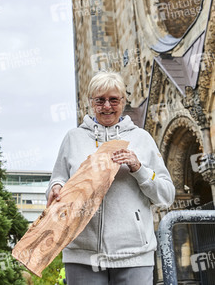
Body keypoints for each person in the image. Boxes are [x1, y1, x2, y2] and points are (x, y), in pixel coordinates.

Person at [46, 71, 175, 285]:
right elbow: (57, 180)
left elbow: (167, 195)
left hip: (135, 256)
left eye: (113, 99)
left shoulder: (142, 139)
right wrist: (56, 188)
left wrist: (138, 168)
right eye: (100, 100)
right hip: (81, 255)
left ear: (123, 101)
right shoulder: (73, 138)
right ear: (91, 102)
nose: (107, 106)